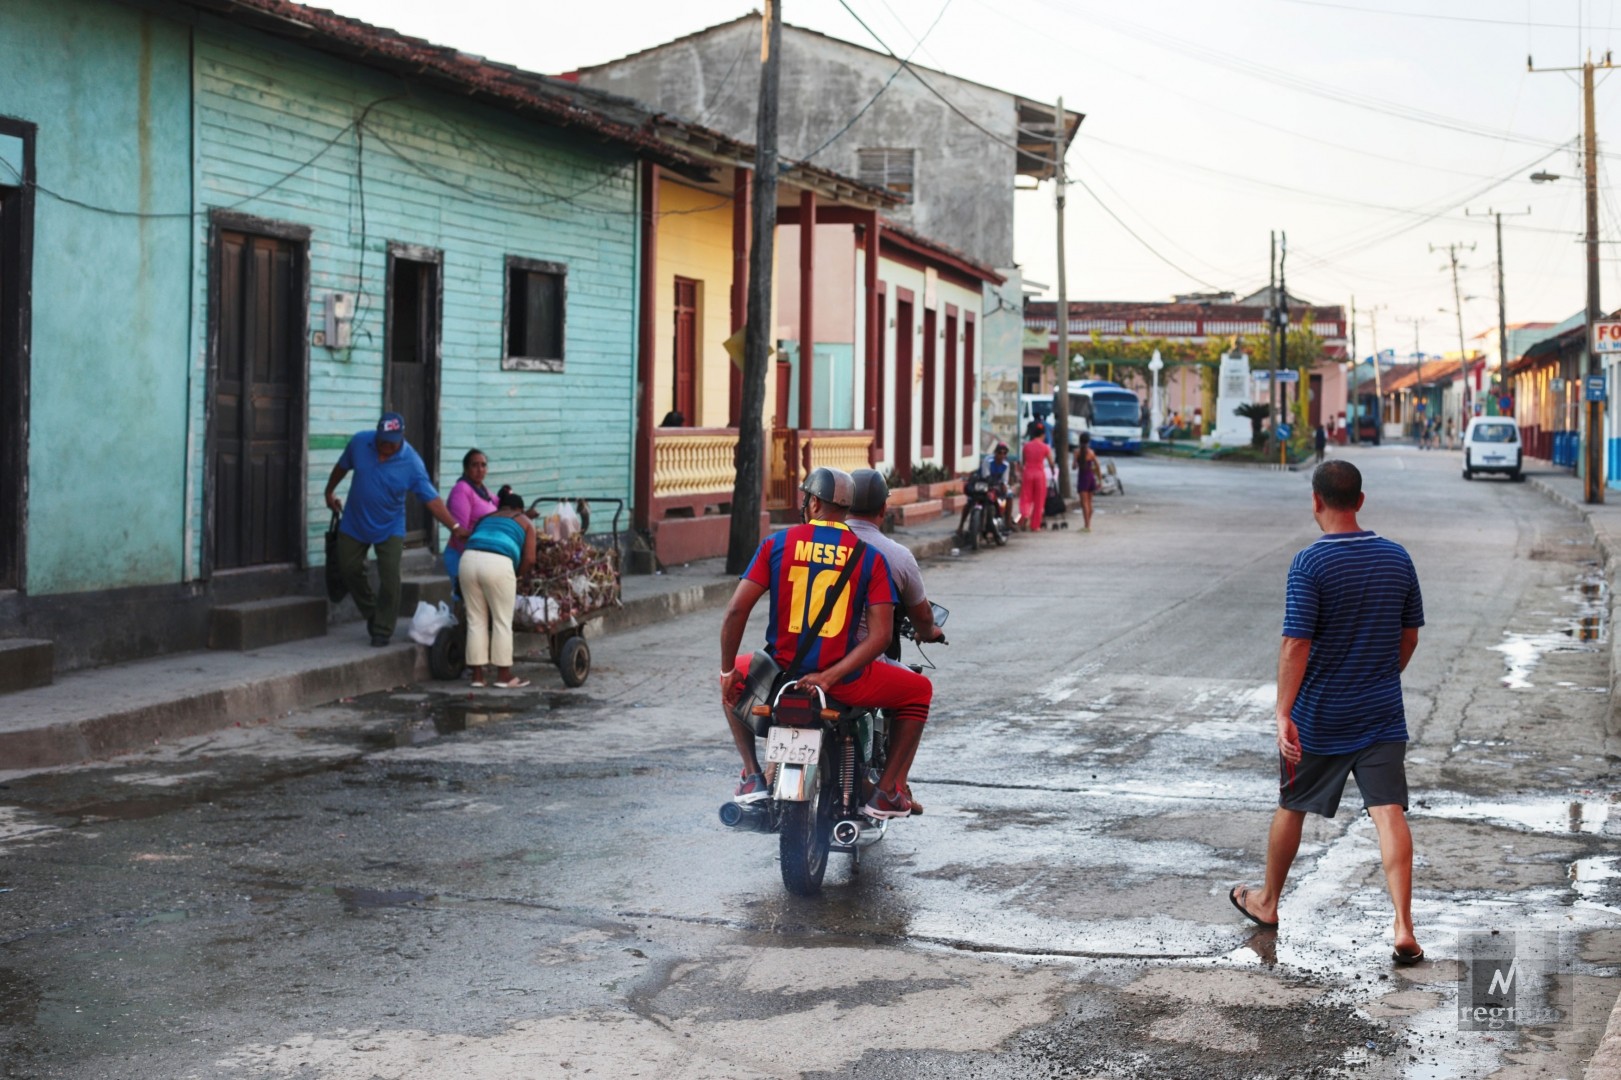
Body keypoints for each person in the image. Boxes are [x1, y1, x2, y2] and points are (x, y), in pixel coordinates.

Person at [1228, 460, 1425, 965]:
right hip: (1381, 711)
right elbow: (1409, 637)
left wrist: (1283, 712)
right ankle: (1403, 926)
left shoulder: (1309, 564)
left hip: (1320, 715)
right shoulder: (1397, 558)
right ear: (1360, 501)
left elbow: (1296, 643)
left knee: (1292, 805)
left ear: (1316, 502)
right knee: (1389, 812)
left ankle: (1268, 902)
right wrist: (1382, 675)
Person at [719, 467, 933, 820]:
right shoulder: (869, 557)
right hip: (845, 683)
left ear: (814, 503)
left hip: (779, 676)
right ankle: (887, 792)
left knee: (730, 682)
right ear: (845, 510)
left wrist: (728, 670)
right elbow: (880, 636)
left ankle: (753, 777)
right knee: (919, 691)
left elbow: (736, 610)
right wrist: (831, 676)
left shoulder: (777, 544)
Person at [325, 413, 467, 646]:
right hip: (354, 521)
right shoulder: (360, 442)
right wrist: (329, 491)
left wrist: (454, 526)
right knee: (347, 568)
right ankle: (373, 612)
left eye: (390, 442)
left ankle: (382, 628)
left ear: (401, 437)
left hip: (390, 526)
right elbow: (342, 467)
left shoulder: (411, 463)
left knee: (390, 577)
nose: (385, 447)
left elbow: (431, 499)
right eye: (381, 441)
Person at [459, 487, 538, 689]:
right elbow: (530, 559)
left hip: (468, 560)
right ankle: (504, 676)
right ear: (520, 509)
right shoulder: (526, 522)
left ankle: (477, 677)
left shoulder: (486, 517)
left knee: (475, 620)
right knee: (502, 621)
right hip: (498, 563)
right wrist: (517, 575)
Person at [444, 449, 497, 599]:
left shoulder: (483, 490)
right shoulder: (462, 490)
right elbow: (461, 533)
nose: (480, 470)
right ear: (466, 469)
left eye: (483, 465)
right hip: (462, 555)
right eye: (475, 465)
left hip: (479, 556)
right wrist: (469, 563)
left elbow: (500, 506)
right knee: (465, 602)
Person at [958, 442, 1012, 537]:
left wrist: (1004, 486)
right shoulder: (988, 460)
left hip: (996, 485)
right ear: (995, 452)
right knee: (970, 501)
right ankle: (961, 526)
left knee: (1009, 496)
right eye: (1000, 452)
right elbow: (985, 475)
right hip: (983, 483)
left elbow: (1005, 480)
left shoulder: (1006, 465)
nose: (1002, 455)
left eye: (1004, 453)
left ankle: (1007, 524)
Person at [1018, 421, 1053, 532]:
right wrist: (1052, 470)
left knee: (1026, 498)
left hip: (1028, 473)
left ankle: (1024, 515)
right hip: (1039, 474)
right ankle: (1035, 525)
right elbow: (1051, 462)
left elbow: (1023, 462)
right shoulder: (1045, 447)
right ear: (1043, 434)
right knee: (1039, 500)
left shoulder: (1026, 446)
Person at [1073, 432, 1100, 532]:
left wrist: (1076, 462)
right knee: (1089, 502)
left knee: (1084, 503)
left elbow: (1074, 467)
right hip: (1091, 477)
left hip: (1082, 477)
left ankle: (1087, 525)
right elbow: (1097, 466)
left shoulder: (1077, 452)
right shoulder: (1091, 453)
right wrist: (1100, 480)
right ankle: (1088, 524)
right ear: (1088, 441)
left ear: (1079, 441)